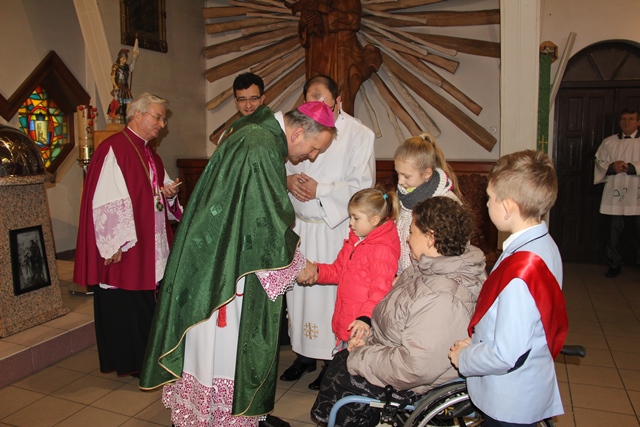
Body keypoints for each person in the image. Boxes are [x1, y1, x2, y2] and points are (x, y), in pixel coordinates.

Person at [139, 102, 337, 427]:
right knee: (225, 344)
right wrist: (297, 262)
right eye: (314, 148)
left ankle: (231, 413)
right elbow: (265, 221)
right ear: (298, 132)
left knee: (218, 344)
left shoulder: (257, 132)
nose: (312, 156)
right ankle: (222, 416)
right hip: (226, 267)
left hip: (223, 253)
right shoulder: (261, 145)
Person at [311, 197, 486, 427]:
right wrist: (367, 340)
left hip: (414, 381)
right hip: (393, 355)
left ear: (431, 237)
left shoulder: (445, 298)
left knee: (343, 375)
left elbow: (415, 367)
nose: (407, 238)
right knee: (341, 363)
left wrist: (362, 356)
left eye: (412, 232)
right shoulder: (426, 268)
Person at [449, 150, 568, 427]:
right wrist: (476, 343)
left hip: (510, 399)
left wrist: (465, 357)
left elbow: (506, 353)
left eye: (490, 198)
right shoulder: (542, 243)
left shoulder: (522, 271)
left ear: (507, 207)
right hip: (525, 381)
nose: (486, 203)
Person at [74, 93, 182, 378]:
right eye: (157, 117)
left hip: (150, 242)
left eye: (163, 119)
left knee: (145, 302)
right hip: (127, 245)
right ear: (138, 115)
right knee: (127, 304)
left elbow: (156, 193)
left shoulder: (151, 154)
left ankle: (147, 357)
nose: (162, 124)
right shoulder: (115, 149)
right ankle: (132, 361)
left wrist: (169, 193)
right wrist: (114, 244)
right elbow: (106, 200)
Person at [281, 75, 376, 389]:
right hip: (300, 226)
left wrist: (321, 190)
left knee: (329, 298)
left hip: (333, 228)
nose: (319, 113)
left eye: (326, 106)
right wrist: (286, 181)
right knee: (299, 298)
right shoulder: (296, 128)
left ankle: (331, 360)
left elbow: (363, 187)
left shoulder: (359, 134)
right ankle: (303, 356)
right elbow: (280, 164)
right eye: (312, 105)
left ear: (339, 101)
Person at [299, 187, 400, 352]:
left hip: (362, 329)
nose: (350, 223)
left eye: (356, 218)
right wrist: (316, 271)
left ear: (374, 220)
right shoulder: (355, 241)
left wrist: (365, 318)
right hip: (348, 321)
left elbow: (381, 289)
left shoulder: (382, 250)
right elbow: (338, 270)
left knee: (354, 365)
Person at [394, 133, 462, 274]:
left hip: (433, 274)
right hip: (404, 273)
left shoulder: (445, 202)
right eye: (398, 174)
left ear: (427, 173)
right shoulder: (401, 196)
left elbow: (457, 243)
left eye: (406, 176)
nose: (400, 181)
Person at [594, 108, 640, 278]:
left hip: (636, 193)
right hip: (615, 192)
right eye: (624, 119)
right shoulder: (609, 142)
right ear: (619, 122)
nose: (627, 122)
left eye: (631, 119)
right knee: (613, 231)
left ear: (638, 122)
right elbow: (599, 161)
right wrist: (612, 167)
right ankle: (613, 263)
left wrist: (632, 167)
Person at [109, 48, 138, 123]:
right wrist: (115, 85)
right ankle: (118, 116)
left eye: (126, 59)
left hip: (125, 86)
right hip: (119, 86)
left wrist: (134, 58)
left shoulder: (126, 67)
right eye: (123, 59)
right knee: (119, 102)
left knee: (129, 101)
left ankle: (127, 115)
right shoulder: (115, 66)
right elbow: (112, 77)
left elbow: (131, 67)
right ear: (120, 58)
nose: (125, 60)